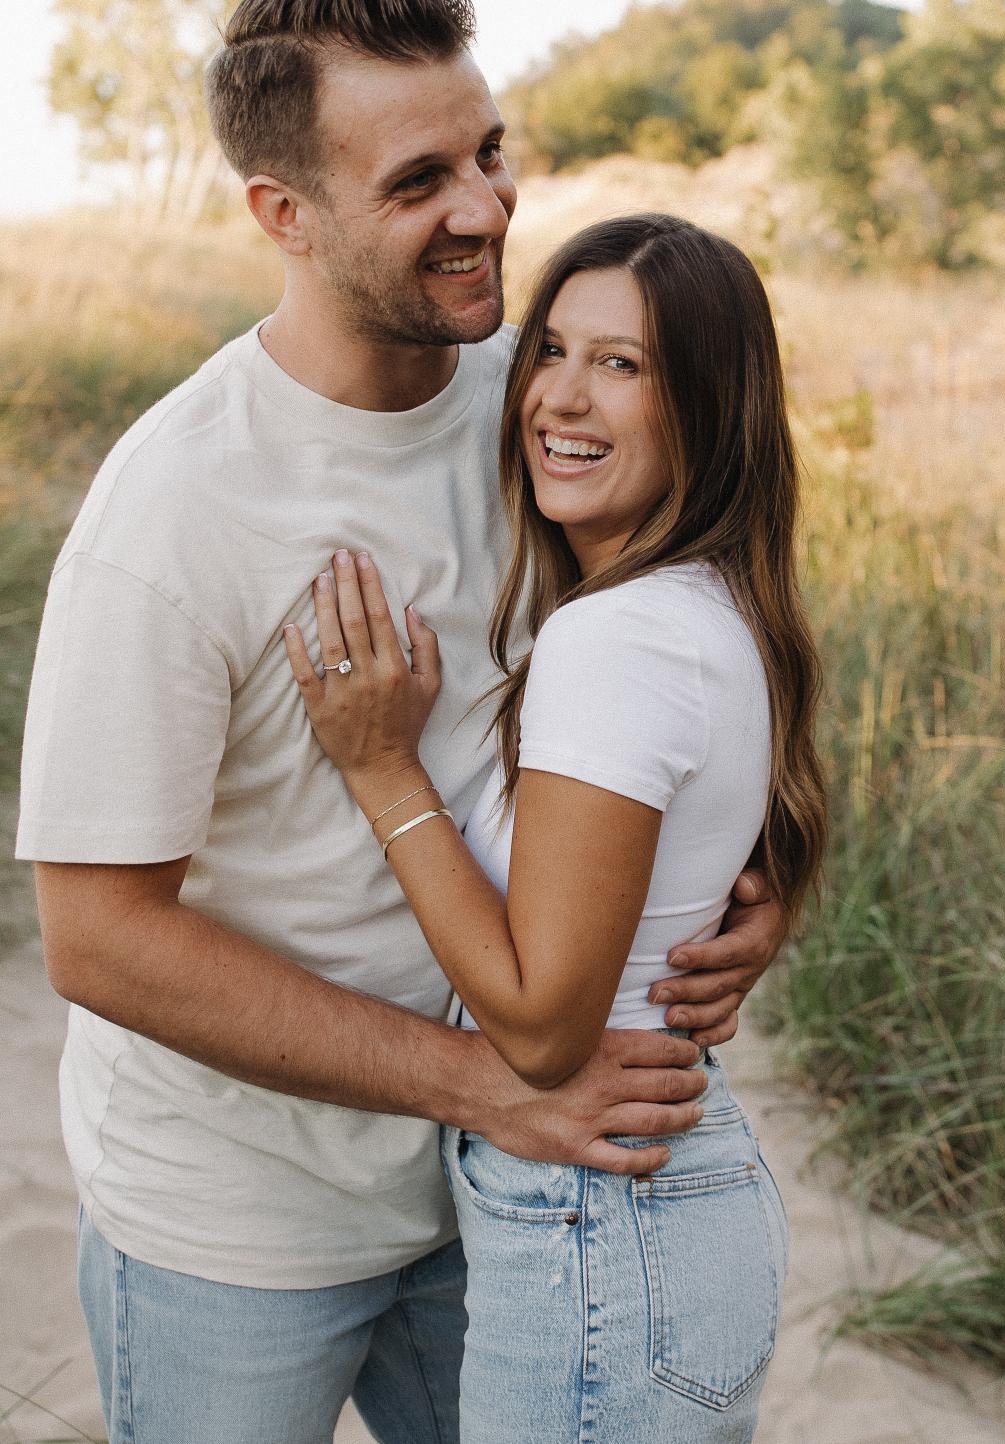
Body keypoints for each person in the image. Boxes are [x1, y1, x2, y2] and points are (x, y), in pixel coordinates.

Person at [14, 5, 786, 1443]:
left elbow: (700, 654)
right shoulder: (174, 510)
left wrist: (753, 892)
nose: (485, 208)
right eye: (419, 180)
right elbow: (97, 937)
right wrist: (482, 1083)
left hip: (498, 1196)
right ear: (285, 214)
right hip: (240, 1227)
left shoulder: (541, 412)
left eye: (488, 152)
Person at [284, 213, 827, 1442]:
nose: (561, 399)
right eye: (551, 351)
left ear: (708, 409)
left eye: (622, 365)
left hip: (605, 1218)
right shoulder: (707, 600)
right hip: (656, 1209)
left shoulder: (615, 636)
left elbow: (538, 1030)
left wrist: (382, 770)